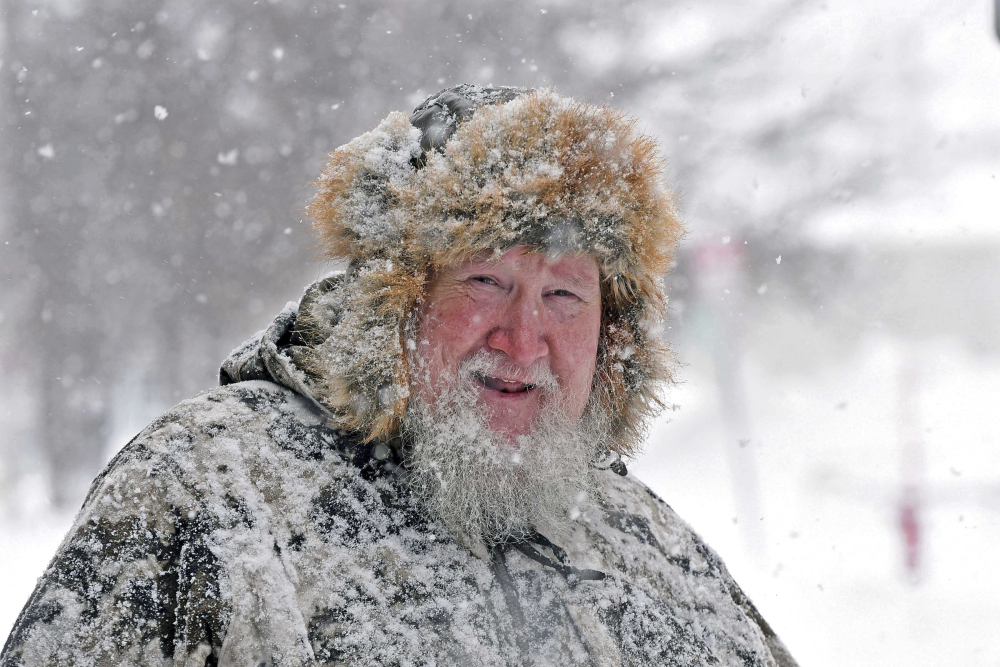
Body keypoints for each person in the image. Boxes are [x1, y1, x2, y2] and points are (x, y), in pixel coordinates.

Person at [1, 85, 797, 666]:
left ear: (611, 331)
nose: (524, 339)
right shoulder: (214, 492)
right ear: (397, 298)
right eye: (486, 282)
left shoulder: (645, 547)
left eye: (563, 295)